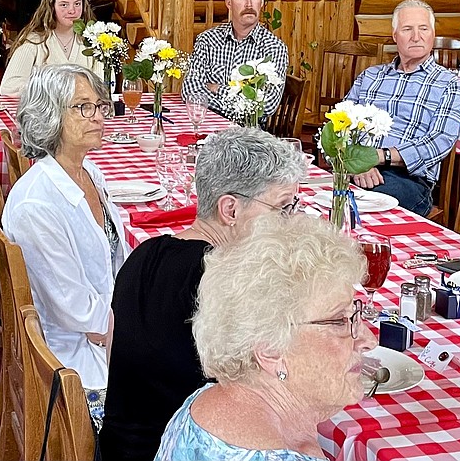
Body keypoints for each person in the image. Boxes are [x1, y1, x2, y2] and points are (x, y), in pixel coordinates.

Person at [100, 128, 307, 461]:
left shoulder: (145, 253)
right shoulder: (231, 282)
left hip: (116, 449)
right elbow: (279, 387)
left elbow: (113, 353)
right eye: (282, 207)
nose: (291, 220)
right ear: (231, 210)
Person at [155, 214, 375, 460]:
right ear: (271, 349)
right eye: (339, 321)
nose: (368, 340)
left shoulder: (201, 405)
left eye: (355, 314)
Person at [2, 64, 125, 428]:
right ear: (50, 115)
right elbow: (76, 311)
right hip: (70, 362)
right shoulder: (36, 204)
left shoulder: (88, 173)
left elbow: (115, 260)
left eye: (99, 106)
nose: (99, 116)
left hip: (101, 325)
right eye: (83, 107)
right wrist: (140, 332)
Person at [342, 0, 460, 216]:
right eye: (407, 29)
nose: (416, 37)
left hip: (408, 180)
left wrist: (376, 157)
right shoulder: (370, 76)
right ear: (394, 36)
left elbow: (439, 142)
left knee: (356, 206)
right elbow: (338, 125)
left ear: (433, 34)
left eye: (423, 29)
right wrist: (356, 163)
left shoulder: (450, 84)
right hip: (355, 169)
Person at [182, 0, 288, 119]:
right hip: (208, 126)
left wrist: (217, 89)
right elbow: (190, 91)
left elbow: (266, 105)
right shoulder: (207, 40)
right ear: (229, 3)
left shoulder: (274, 48)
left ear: (262, 2)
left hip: (249, 135)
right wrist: (240, 102)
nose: (249, 4)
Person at [0, 0, 102, 96]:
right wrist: (51, 89)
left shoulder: (94, 41)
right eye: (64, 5)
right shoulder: (34, 41)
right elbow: (9, 86)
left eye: (77, 4)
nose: (72, 10)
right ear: (52, 7)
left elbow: (104, 85)